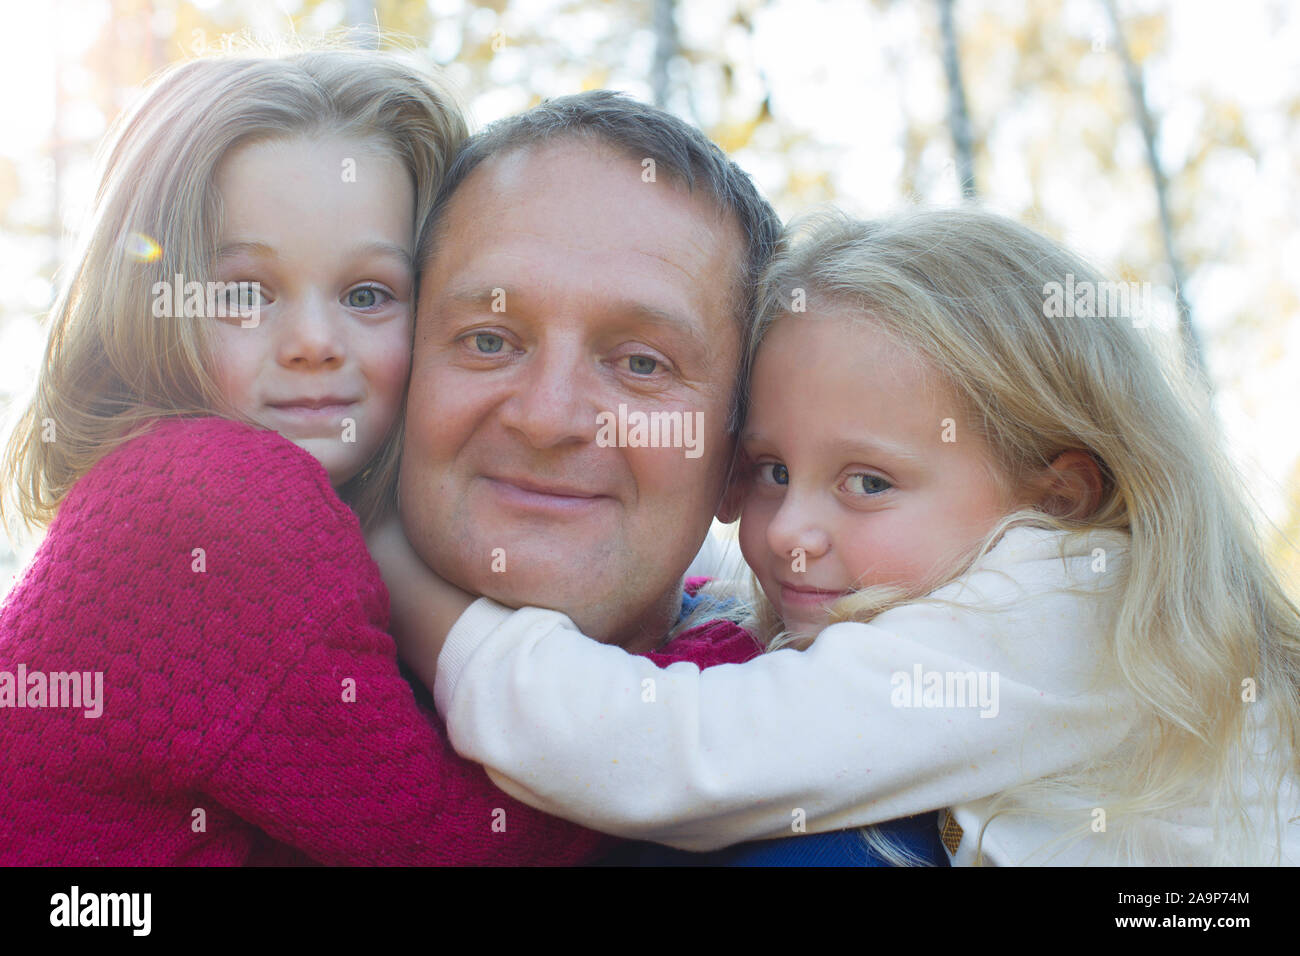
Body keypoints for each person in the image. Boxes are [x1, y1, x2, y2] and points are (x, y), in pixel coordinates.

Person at [0, 49, 750, 866]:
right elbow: (442, 840)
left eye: (367, 294)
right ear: (150, 308)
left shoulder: (256, 508)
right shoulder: (216, 501)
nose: (316, 343)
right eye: (244, 294)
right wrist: (710, 673)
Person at [394, 207, 1300, 865]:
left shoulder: (1076, 598)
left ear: (1059, 496)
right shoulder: (955, 578)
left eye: (868, 483)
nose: (791, 531)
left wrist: (402, 572)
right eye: (770, 471)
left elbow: (675, 754)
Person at [376, 92, 946, 865]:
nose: (549, 417)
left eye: (642, 363)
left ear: (738, 466)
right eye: (488, 339)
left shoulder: (867, 789)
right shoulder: (211, 669)